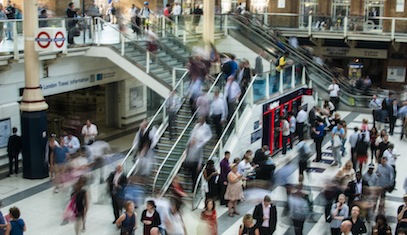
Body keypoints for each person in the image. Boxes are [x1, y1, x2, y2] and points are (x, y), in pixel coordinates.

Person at [184, 117, 212, 187]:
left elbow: (200, 157)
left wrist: (199, 165)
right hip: (190, 162)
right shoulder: (190, 147)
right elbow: (187, 154)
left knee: (195, 176)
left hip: (195, 162)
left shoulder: (198, 147)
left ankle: (195, 187)